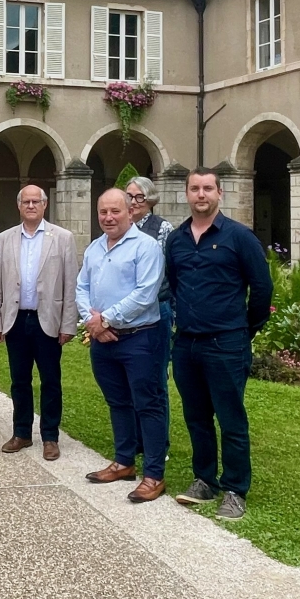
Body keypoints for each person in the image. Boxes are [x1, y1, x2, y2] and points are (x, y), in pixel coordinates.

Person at [166, 167, 273, 518]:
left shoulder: (239, 237)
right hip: (186, 345)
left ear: (219, 193)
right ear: (187, 194)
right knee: (196, 417)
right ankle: (205, 480)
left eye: (208, 188)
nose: (201, 194)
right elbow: (172, 285)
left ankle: (235, 488)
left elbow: (262, 290)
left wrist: (244, 329)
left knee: (231, 419)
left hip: (226, 344)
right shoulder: (177, 239)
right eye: (195, 188)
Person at [77, 187, 169, 502]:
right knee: (117, 402)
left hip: (140, 338)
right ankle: (124, 462)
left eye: (115, 211)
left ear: (130, 211)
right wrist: (94, 323)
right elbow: (81, 287)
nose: (108, 217)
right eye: (103, 212)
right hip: (104, 342)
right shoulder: (94, 248)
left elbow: (145, 294)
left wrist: (106, 320)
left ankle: (154, 475)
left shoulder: (146, 247)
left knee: (148, 404)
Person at [0, 184, 80, 460]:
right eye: (26, 201)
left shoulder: (62, 238)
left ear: (44, 205)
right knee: (19, 381)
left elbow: (70, 285)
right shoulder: (5, 238)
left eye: (35, 201)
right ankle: (22, 433)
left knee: (51, 380)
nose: (30, 206)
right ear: (19, 206)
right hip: (16, 320)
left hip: (48, 320)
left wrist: (68, 324)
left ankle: (50, 437)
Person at [125, 176, 176, 443]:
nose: (133, 202)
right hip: (125, 315)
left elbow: (171, 270)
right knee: (131, 378)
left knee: (155, 379)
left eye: (139, 197)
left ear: (150, 200)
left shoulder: (162, 228)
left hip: (157, 311)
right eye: (129, 196)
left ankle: (157, 440)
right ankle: (135, 438)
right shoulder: (119, 227)